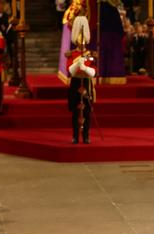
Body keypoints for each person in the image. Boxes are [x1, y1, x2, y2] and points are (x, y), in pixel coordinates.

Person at [66, 15, 96, 144]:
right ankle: (75, 135)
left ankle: (86, 135)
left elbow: (94, 72)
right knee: (75, 110)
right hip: (76, 82)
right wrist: (78, 63)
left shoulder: (90, 54)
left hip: (87, 82)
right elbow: (70, 71)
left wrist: (85, 67)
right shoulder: (72, 54)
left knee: (87, 110)